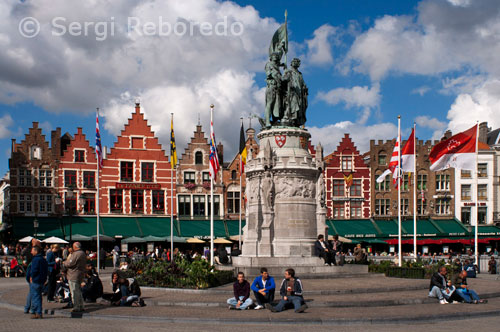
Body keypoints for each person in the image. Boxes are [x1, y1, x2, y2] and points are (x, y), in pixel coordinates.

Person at [62, 242, 87, 312]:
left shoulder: (76, 254)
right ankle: (81, 305)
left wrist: (64, 263)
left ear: (75, 247)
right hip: (80, 274)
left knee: (74, 291)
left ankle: (76, 306)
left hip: (73, 274)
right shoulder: (83, 253)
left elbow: (70, 263)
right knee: (78, 291)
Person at [26, 246, 48, 319]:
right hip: (42, 280)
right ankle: (38, 311)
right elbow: (45, 270)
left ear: (36, 251)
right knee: (38, 297)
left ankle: (37, 312)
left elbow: (34, 270)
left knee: (35, 297)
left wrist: (32, 277)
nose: (31, 252)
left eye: (32, 250)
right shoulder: (43, 259)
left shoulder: (36, 259)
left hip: (36, 280)